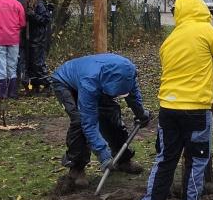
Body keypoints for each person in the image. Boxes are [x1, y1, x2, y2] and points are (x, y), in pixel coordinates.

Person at [139, 0, 213, 200]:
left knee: (164, 160)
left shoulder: (170, 40)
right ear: (201, 9)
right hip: (195, 110)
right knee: (196, 160)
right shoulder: (206, 31)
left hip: (168, 109)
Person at [50, 53, 152, 191]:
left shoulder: (128, 72)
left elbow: (132, 95)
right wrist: (103, 155)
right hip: (66, 82)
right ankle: (76, 169)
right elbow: (89, 123)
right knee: (79, 121)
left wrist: (141, 114)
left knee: (111, 114)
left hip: (99, 80)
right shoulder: (89, 83)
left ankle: (122, 159)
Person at [21, 0, 54, 92]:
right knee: (31, 63)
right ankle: (34, 87)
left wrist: (33, 15)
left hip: (38, 38)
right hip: (30, 37)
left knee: (38, 64)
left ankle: (48, 85)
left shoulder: (39, 3)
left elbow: (46, 20)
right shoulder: (29, 2)